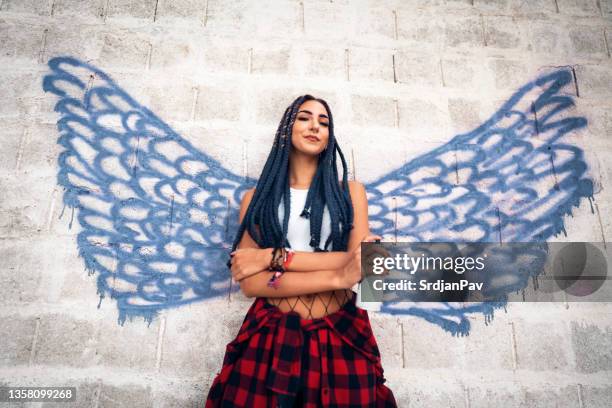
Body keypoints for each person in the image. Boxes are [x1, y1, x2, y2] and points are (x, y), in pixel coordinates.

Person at [205, 95, 397, 407]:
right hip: (273, 333)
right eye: (305, 118)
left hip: (342, 331)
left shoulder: (350, 193)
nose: (315, 126)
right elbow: (252, 284)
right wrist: (338, 276)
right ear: (286, 129)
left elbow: (362, 262)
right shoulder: (256, 198)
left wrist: (271, 258)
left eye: (324, 122)